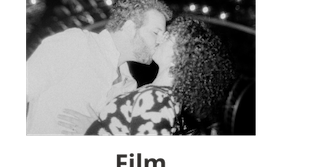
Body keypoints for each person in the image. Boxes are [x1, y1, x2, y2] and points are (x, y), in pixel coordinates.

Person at [26, 0, 172, 136]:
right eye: (155, 33)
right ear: (129, 28)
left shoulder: (129, 85)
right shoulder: (76, 43)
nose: (160, 41)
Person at [78, 16, 236, 136]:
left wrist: (94, 132)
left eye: (168, 37)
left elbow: (151, 163)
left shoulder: (157, 98)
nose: (160, 38)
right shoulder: (164, 98)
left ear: (180, 56)